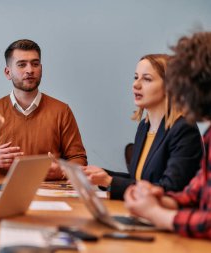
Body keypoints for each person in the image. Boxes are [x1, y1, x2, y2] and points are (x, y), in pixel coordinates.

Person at [124, 32, 211, 239]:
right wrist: (162, 199)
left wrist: (156, 213)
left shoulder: (184, 129)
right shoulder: (209, 135)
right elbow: (194, 193)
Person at [83, 54, 202, 199]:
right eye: (135, 77)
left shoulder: (184, 129)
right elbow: (140, 181)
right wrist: (101, 174)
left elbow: (170, 189)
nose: (136, 84)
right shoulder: (144, 127)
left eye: (147, 79)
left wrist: (110, 181)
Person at [0, 39, 87, 180]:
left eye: (35, 64)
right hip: (2, 194)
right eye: (22, 65)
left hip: (51, 195)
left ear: (41, 69)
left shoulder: (62, 111)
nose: (30, 70)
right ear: (8, 72)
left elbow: (78, 159)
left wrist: (62, 171)